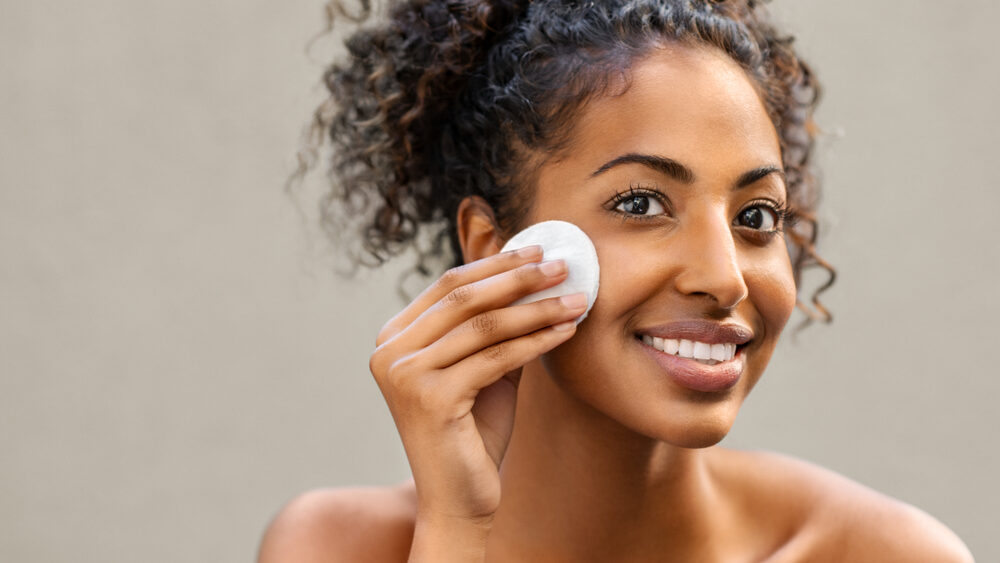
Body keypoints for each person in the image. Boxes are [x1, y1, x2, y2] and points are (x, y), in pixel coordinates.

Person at [259, 0, 973, 560]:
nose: (724, 276)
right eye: (641, 203)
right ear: (493, 245)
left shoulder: (888, 555)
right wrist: (454, 530)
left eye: (757, 214)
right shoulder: (335, 548)